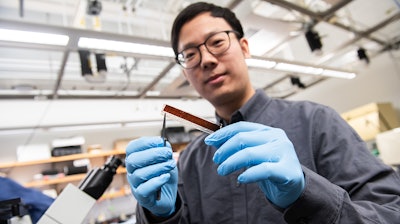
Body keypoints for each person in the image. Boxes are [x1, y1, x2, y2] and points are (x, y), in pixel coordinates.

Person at [125, 2, 400, 223]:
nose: (207, 60)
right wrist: (160, 216)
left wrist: (307, 194)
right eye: (190, 55)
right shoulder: (189, 162)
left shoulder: (317, 122)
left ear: (244, 47)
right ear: (185, 71)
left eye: (217, 42)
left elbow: (391, 212)